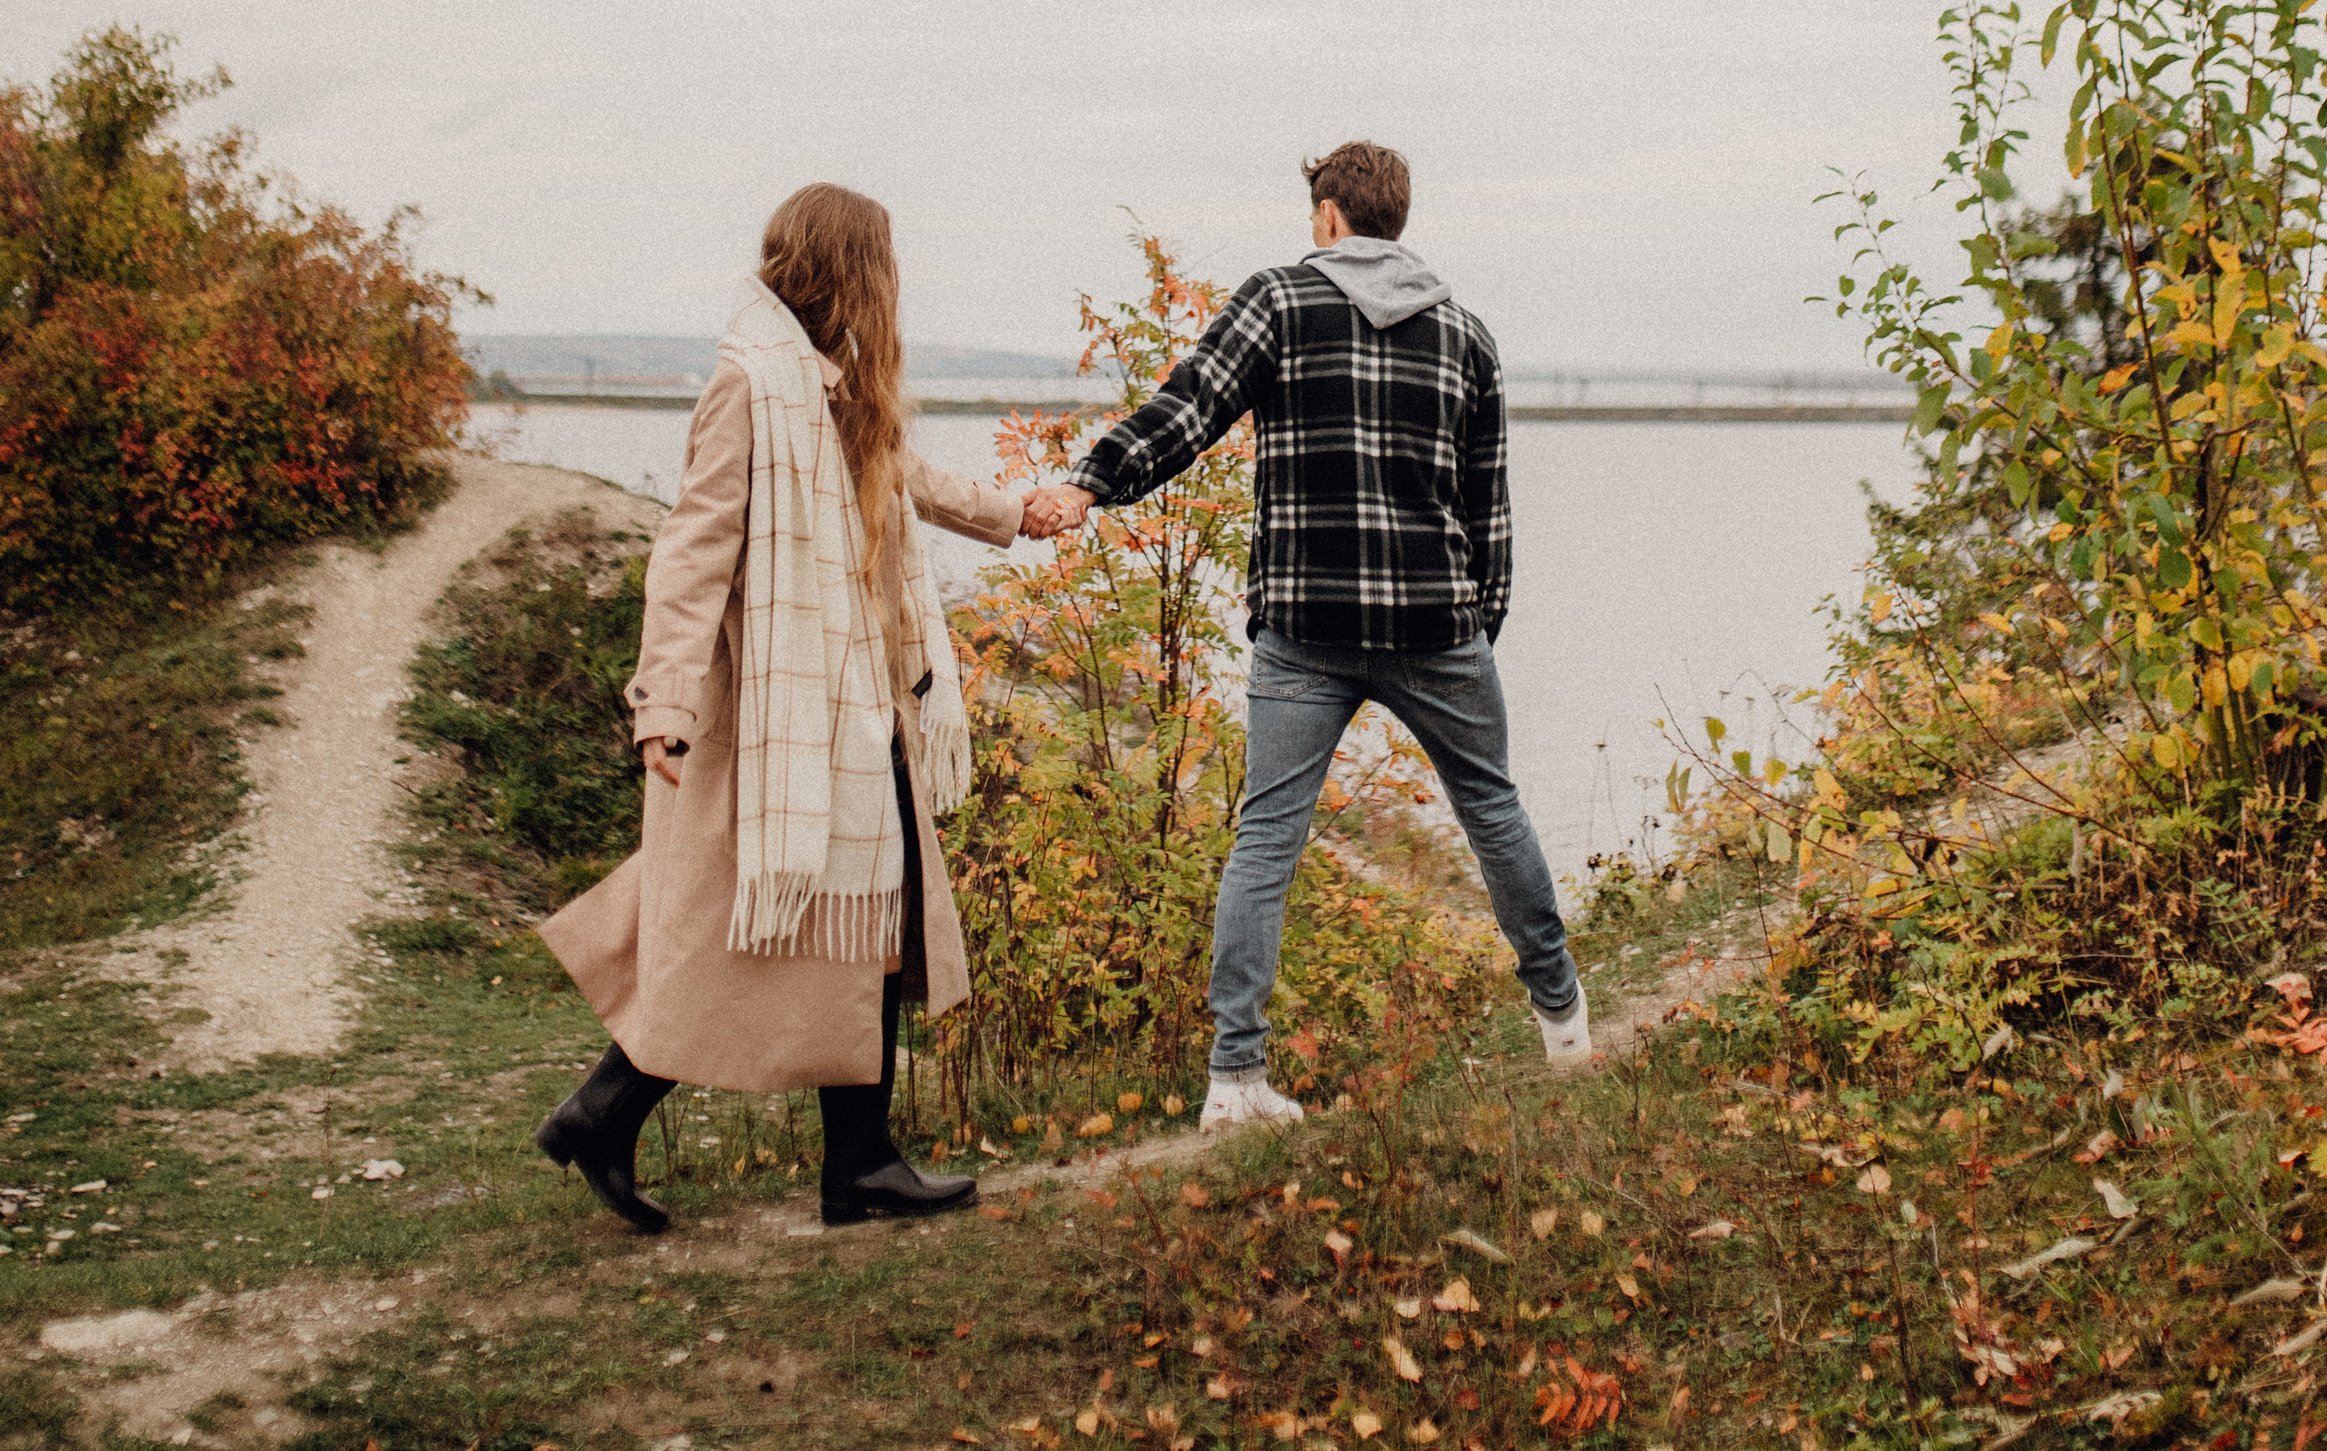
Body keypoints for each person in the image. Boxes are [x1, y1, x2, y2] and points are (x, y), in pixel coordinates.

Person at [534, 181, 1074, 1232]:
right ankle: (624, 1116)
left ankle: (846, 1164)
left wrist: (1018, 513)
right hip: (783, 714)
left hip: (855, 700)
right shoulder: (750, 388)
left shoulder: (833, 389)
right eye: (882, 267)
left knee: (857, 925)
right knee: (745, 933)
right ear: (850, 272)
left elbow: (904, 476)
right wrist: (664, 702)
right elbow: (689, 554)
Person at [1036, 139, 1588, 1132]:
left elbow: (1187, 410)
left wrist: (1090, 484)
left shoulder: (1280, 302)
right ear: (1397, 218)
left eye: (1313, 215)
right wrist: (1472, 628)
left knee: (1266, 839)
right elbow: (1488, 511)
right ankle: (1565, 1028)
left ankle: (1234, 1081)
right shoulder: (1467, 335)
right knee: (1494, 813)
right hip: (1434, 624)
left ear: (1330, 215)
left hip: (1304, 627)